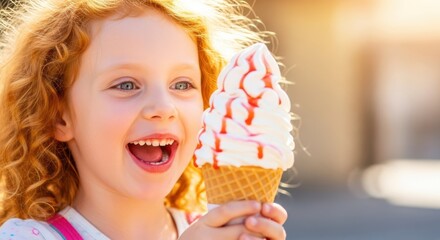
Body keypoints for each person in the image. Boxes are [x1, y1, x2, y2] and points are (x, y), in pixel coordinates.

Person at [0, 0, 288, 239]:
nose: (163, 107)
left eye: (182, 84)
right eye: (126, 85)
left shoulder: (215, 231)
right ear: (59, 116)